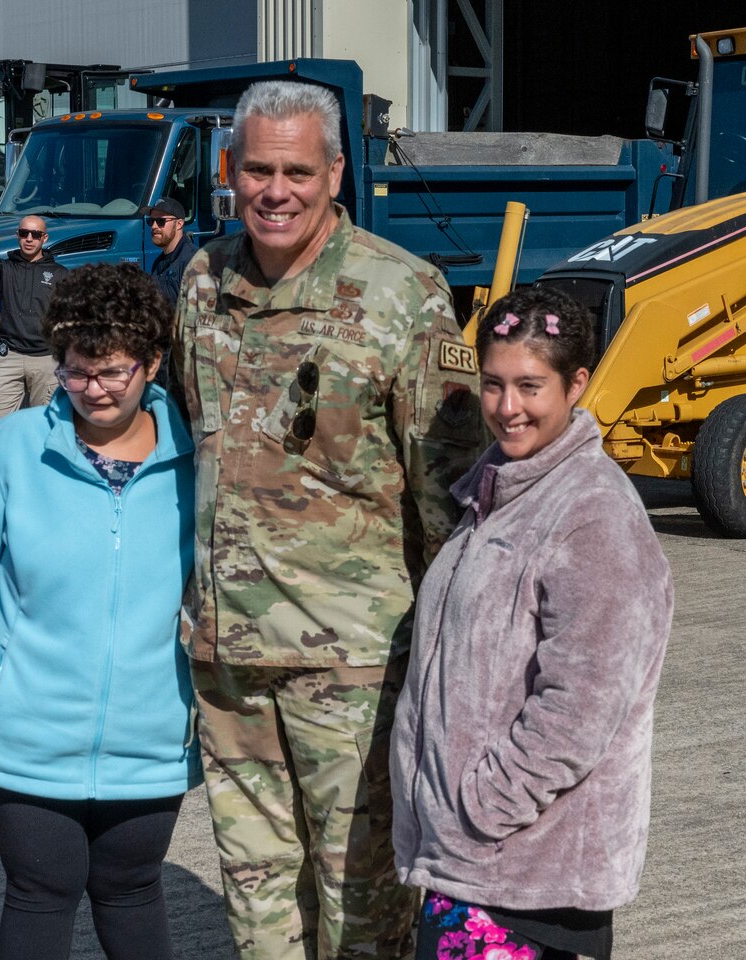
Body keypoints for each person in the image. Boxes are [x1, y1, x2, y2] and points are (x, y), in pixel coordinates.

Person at [171, 80, 483, 960]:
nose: (276, 191)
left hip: (353, 665)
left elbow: (451, 496)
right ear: (229, 170)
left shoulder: (403, 295)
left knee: (362, 899)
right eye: (258, 169)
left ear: (337, 171)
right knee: (256, 894)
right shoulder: (200, 280)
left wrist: (453, 662)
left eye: (298, 171)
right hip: (228, 659)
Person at [390, 287, 674, 960]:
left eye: (529, 386)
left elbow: (583, 703)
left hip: (527, 879)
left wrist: (484, 805)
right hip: (474, 866)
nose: (507, 408)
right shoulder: (503, 491)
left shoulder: (594, 512)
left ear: (577, 384)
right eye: (492, 385)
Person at [0, 262, 200, 960]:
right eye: (76, 372)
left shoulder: (200, 460)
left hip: (153, 738)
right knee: (40, 889)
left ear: (152, 363)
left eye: (114, 372)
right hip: (29, 735)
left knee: (133, 888)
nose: (94, 390)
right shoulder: (7, 451)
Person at [0, 214, 68, 426]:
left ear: (44, 238)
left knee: (46, 427)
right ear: (17, 236)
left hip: (46, 359)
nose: (29, 239)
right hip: (11, 357)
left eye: (35, 235)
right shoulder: (6, 269)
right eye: (24, 233)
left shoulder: (60, 274)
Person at [147, 197, 197, 308]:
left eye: (161, 221)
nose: (154, 226)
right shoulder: (158, 263)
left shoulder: (193, 262)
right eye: (151, 221)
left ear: (179, 224)